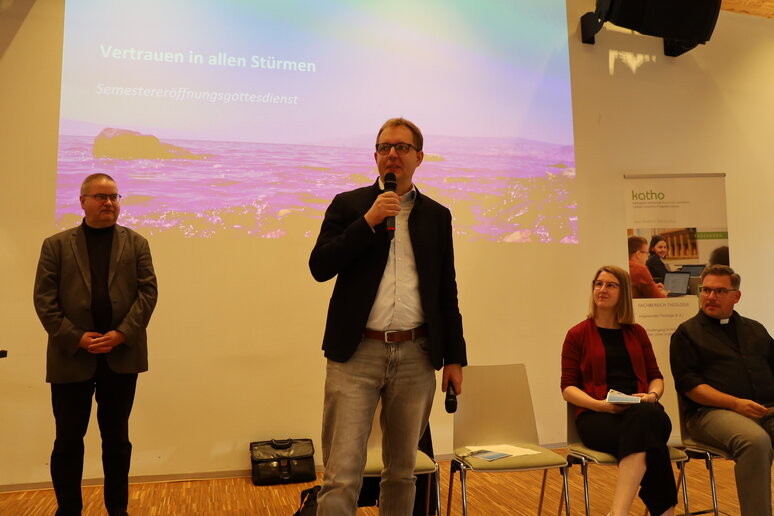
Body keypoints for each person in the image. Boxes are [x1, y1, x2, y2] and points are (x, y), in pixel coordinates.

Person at [309, 118, 466, 515]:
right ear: (375, 157)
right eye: (384, 148)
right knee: (342, 473)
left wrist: (455, 357)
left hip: (416, 354)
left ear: (419, 157)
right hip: (356, 354)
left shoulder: (437, 215)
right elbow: (320, 265)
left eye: (401, 147)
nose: (392, 154)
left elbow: (446, 289)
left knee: (402, 474)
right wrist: (369, 221)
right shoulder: (349, 205)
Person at [33, 173, 158, 516]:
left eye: (114, 196)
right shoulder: (56, 245)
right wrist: (76, 337)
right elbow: (44, 301)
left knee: (117, 441)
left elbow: (148, 294)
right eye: (101, 196)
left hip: (122, 356)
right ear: (82, 201)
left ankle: (117, 509)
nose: (109, 202)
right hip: (71, 357)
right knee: (68, 442)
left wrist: (121, 334)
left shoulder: (137, 243)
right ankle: (69, 509)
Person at [561, 265, 676, 516]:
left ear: (623, 292)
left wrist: (651, 396)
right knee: (651, 440)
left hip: (641, 412)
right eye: (598, 284)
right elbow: (568, 388)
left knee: (646, 416)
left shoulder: (637, 333)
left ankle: (618, 512)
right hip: (597, 417)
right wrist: (601, 404)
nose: (602, 289)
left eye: (610, 285)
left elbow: (656, 378)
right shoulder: (577, 334)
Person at [670, 265, 774, 516]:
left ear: (735, 297)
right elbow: (691, 387)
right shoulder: (686, 334)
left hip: (765, 409)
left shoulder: (755, 329)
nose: (710, 296)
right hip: (709, 413)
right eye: (705, 290)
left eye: (719, 291)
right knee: (755, 441)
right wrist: (735, 403)